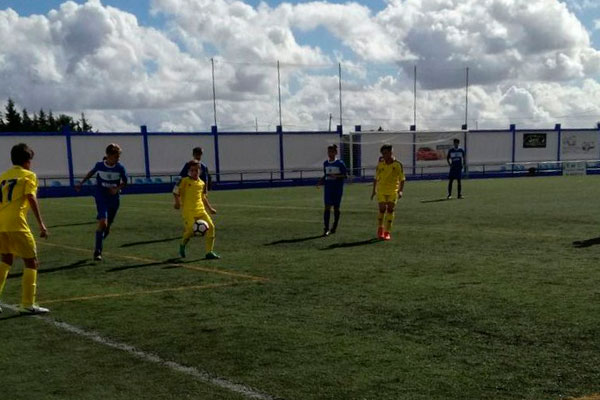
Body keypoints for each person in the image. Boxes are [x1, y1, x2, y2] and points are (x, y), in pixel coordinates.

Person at [0, 143, 50, 314]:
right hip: (17, 224)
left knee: (6, 259)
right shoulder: (29, 175)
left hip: (1, 224)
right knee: (31, 261)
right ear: (28, 161)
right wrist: (41, 224)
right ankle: (28, 304)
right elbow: (31, 197)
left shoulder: (3, 176)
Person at [75, 144, 127, 261]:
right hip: (101, 196)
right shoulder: (99, 165)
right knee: (103, 223)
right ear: (108, 155)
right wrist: (81, 183)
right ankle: (97, 251)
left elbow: (125, 182)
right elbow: (91, 173)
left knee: (107, 227)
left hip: (114, 199)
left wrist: (116, 188)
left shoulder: (120, 168)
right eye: (116, 156)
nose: (118, 159)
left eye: (119, 157)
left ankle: (100, 239)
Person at [173, 160, 220, 259]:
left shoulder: (202, 183)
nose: (195, 172)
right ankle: (182, 244)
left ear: (200, 171)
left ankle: (209, 252)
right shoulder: (184, 181)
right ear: (189, 171)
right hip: (188, 211)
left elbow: (203, 197)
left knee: (211, 227)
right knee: (191, 230)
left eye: (196, 170)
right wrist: (177, 202)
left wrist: (210, 209)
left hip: (201, 210)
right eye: (192, 170)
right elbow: (176, 192)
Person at [370, 144, 405, 241]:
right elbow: (375, 178)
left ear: (391, 152)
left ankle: (387, 232)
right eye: (383, 153)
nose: (384, 155)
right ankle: (380, 228)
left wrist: (401, 191)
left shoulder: (398, 164)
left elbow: (402, 179)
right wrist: (374, 191)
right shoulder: (380, 164)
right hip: (381, 190)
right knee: (382, 209)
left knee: (390, 209)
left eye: (386, 153)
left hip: (393, 190)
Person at [316, 144, 347, 236]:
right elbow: (326, 175)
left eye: (332, 151)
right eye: (329, 152)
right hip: (328, 189)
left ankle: (334, 226)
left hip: (337, 189)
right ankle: (326, 228)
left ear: (336, 152)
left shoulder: (340, 163)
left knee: (336, 208)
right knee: (327, 207)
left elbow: (345, 175)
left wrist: (336, 176)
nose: (330, 153)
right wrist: (320, 182)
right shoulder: (325, 163)